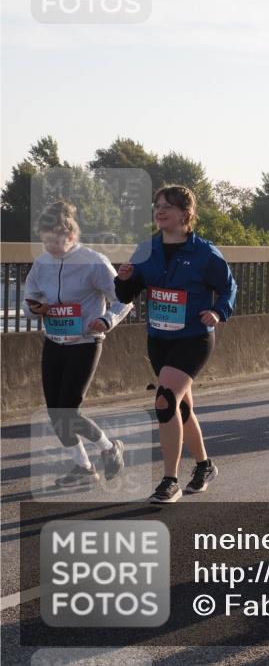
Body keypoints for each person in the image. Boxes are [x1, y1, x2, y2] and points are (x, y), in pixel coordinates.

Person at [116, 186, 237, 503]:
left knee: (165, 401)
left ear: (186, 213)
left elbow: (229, 287)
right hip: (159, 340)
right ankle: (205, 465)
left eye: (168, 206)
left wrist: (218, 311)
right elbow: (125, 294)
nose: (160, 210)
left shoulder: (205, 253)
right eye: (157, 205)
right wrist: (124, 279)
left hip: (194, 338)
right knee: (181, 409)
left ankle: (169, 481)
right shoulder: (146, 249)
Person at [24, 202, 131, 487]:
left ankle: (109, 447)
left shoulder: (93, 262)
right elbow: (30, 299)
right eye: (45, 242)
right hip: (54, 342)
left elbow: (124, 298)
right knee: (55, 413)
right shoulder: (42, 263)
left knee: (68, 411)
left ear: (70, 236)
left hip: (85, 342)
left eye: (55, 241)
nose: (50, 247)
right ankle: (83, 467)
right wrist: (35, 308)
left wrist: (107, 319)